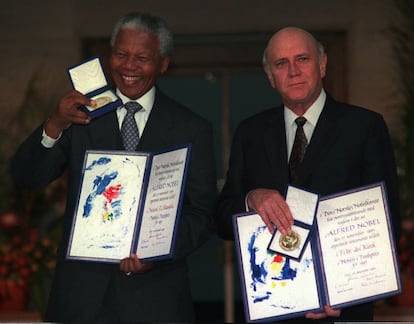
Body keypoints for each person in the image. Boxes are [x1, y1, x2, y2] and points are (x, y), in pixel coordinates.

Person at [11, 12, 217, 323]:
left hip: (156, 300)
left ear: (163, 64)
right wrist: (55, 123)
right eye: (121, 54)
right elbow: (25, 176)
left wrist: (157, 250)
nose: (129, 66)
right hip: (80, 299)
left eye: (142, 57)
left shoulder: (191, 129)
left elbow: (202, 214)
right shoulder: (79, 117)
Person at [215, 26, 400, 322]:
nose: (293, 71)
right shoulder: (250, 133)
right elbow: (223, 218)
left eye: (302, 59)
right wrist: (251, 198)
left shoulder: (364, 127)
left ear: (323, 64)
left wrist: (346, 291)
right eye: (281, 64)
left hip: (343, 310)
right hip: (274, 308)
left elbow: (388, 220)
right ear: (270, 77)